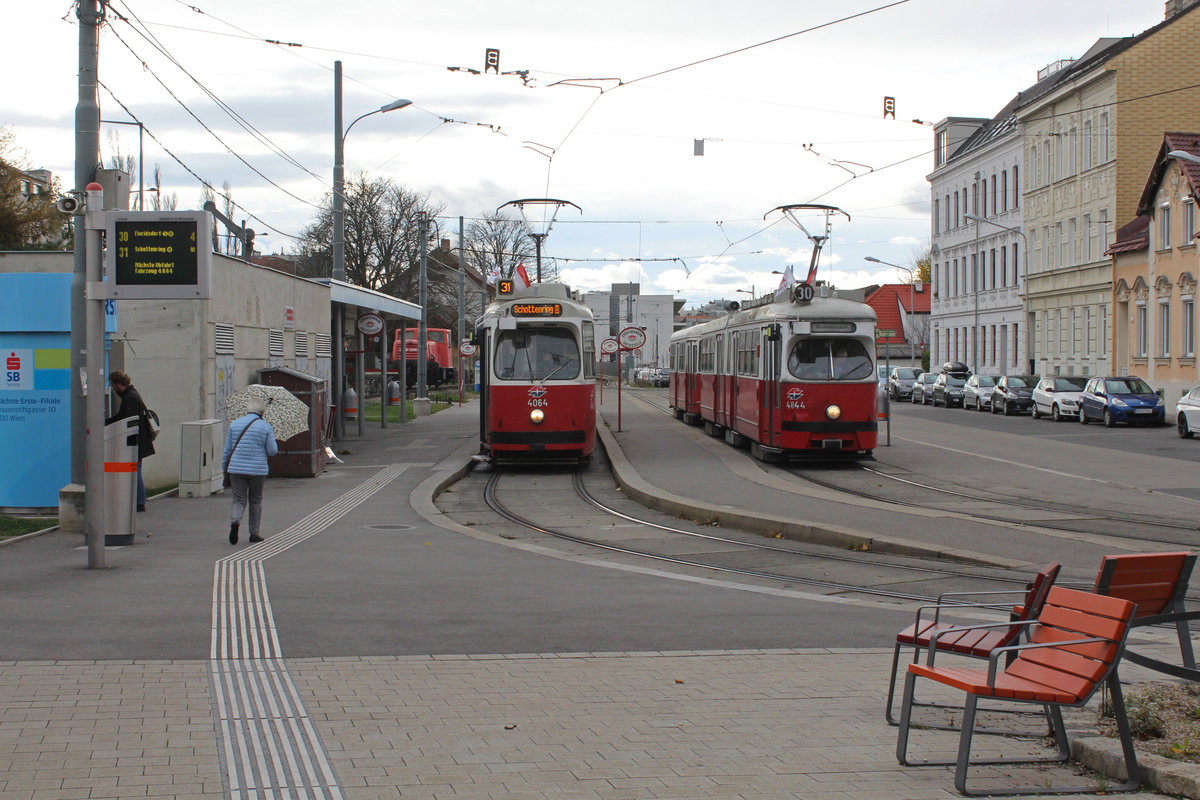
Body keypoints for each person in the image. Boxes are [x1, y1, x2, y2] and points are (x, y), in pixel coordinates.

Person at [221, 396, 278, 545]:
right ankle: (254, 533)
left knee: (238, 499)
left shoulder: (234, 424)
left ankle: (235, 522)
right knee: (255, 500)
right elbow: (272, 451)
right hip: (257, 470)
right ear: (262, 412)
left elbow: (227, 450)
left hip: (236, 468)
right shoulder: (265, 427)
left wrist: (224, 469)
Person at [106, 370, 155, 512]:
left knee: (135, 471)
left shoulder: (130, 398)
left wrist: (106, 422)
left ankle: (140, 501)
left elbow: (125, 419)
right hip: (139, 441)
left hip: (136, 442)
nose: (114, 390)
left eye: (113, 386)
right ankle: (139, 500)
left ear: (117, 384)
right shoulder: (133, 395)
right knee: (136, 471)